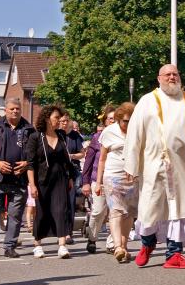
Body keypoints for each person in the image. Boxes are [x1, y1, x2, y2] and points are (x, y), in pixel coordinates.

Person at [125, 64, 185, 269]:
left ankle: (174, 254)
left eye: (175, 74)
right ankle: (147, 244)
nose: (172, 77)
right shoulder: (147, 101)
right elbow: (134, 134)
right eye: (167, 74)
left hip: (183, 166)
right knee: (150, 208)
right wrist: (131, 165)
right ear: (159, 78)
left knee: (179, 210)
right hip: (153, 164)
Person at [0, 98, 36, 258]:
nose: (15, 111)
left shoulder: (29, 129)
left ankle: (10, 246)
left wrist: (27, 163)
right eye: (11, 109)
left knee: (15, 215)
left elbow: (37, 152)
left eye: (17, 109)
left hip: (18, 180)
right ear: (5, 110)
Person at [26, 104, 76, 259]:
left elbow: (66, 159)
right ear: (47, 119)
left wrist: (70, 177)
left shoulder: (61, 135)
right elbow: (30, 163)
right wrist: (32, 185)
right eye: (56, 118)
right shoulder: (35, 137)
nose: (59, 121)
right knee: (41, 212)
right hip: (42, 180)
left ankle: (62, 245)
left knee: (61, 211)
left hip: (60, 179)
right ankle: (38, 245)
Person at [96, 102, 138, 263]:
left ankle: (124, 246)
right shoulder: (109, 132)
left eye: (131, 121)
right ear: (119, 119)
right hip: (113, 175)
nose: (128, 124)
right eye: (125, 121)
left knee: (128, 212)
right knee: (116, 211)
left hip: (133, 176)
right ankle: (117, 246)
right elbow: (102, 159)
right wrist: (98, 182)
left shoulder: (137, 131)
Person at [82, 105, 116, 254]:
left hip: (116, 180)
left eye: (116, 119)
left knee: (115, 213)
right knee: (98, 211)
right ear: (105, 121)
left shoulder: (124, 136)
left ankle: (111, 243)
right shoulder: (97, 138)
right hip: (99, 180)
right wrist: (86, 182)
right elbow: (88, 161)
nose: (113, 122)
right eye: (110, 119)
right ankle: (92, 238)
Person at [59, 111, 85, 244]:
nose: (64, 123)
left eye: (66, 121)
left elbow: (82, 153)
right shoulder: (55, 135)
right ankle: (59, 231)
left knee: (70, 203)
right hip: (57, 173)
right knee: (59, 204)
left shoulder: (75, 136)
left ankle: (68, 233)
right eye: (62, 121)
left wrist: (72, 156)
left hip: (72, 172)